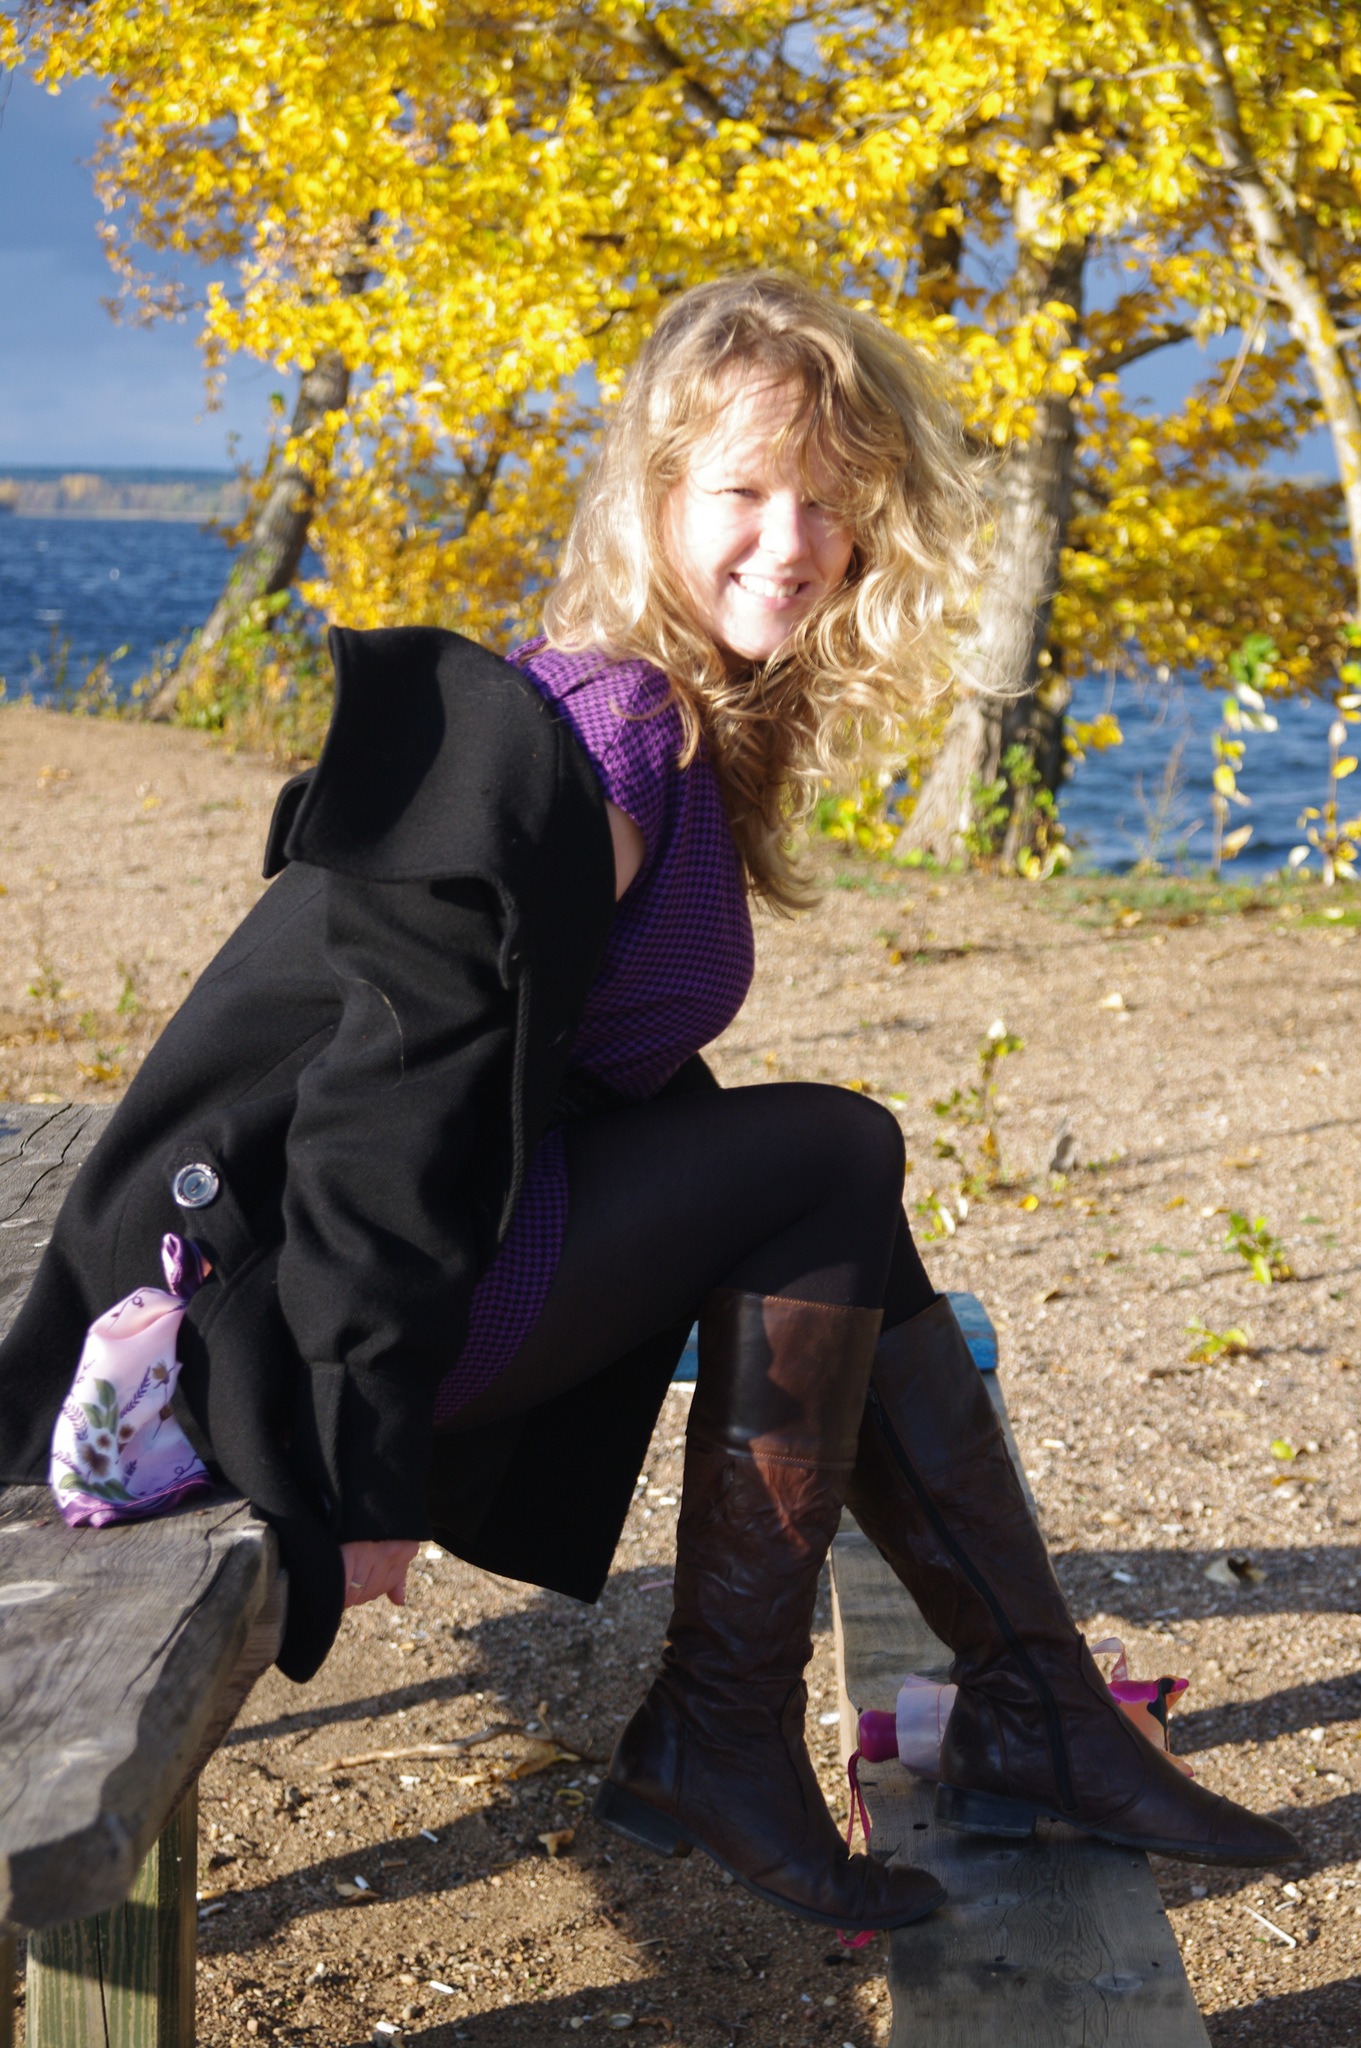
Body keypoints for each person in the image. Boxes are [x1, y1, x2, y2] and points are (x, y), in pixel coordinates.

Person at [0, 274, 1296, 1935]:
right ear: (655, 495)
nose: (791, 541)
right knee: (831, 1153)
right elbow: (393, 1099)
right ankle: (752, 1729)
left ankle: (993, 1704)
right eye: (744, 491)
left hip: (417, 1252)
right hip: (287, 1318)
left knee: (827, 1193)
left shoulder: (687, 721)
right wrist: (361, 1457)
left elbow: (594, 1068)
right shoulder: (606, 729)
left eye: (828, 499)